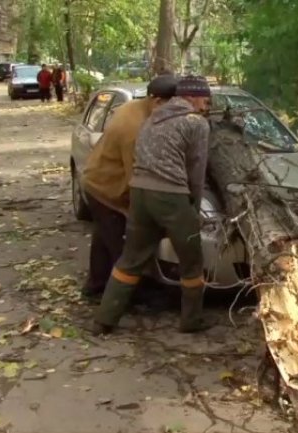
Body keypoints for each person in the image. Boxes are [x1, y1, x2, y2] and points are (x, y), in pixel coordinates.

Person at [91, 75, 213, 336]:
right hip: (170, 195)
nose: (207, 104)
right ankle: (191, 321)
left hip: (140, 193)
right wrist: (193, 205)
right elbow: (196, 168)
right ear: (191, 97)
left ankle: (104, 319)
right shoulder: (196, 123)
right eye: (204, 98)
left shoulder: (151, 118)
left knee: (131, 258)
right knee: (191, 259)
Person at [79, 74, 179, 303]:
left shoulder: (134, 107)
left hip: (99, 181)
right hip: (106, 190)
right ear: (157, 101)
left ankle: (95, 286)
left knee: (103, 240)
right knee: (124, 249)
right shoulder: (135, 129)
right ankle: (128, 297)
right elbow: (138, 178)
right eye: (171, 107)